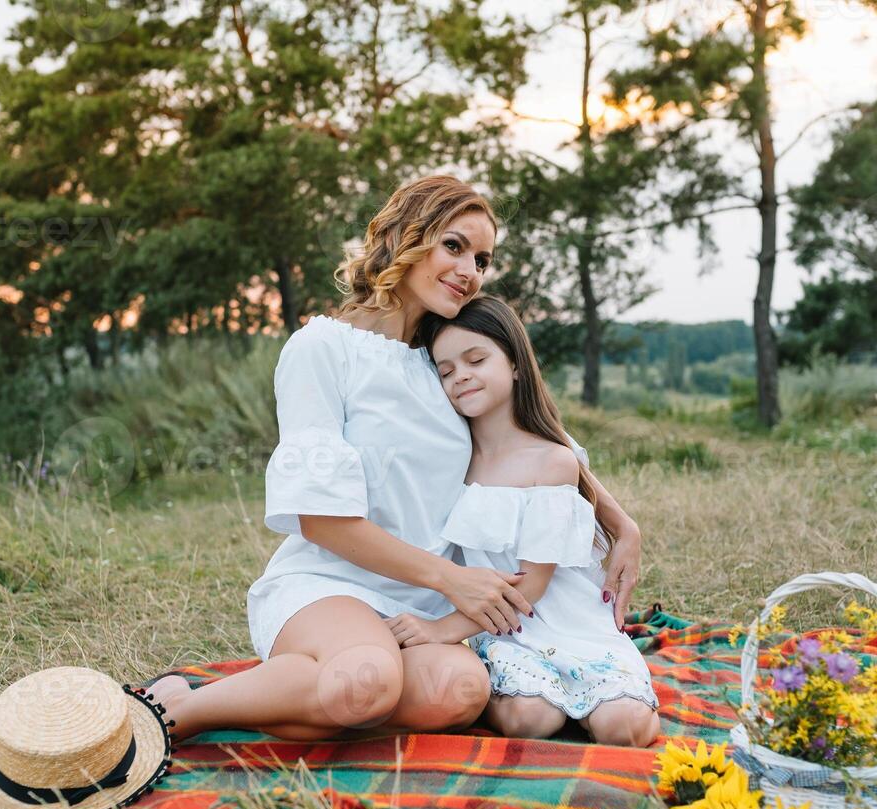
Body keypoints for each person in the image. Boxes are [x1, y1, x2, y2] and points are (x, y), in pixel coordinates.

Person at [147, 174, 643, 741]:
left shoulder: (444, 357)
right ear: (407, 236)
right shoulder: (322, 348)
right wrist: (453, 579)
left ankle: (311, 693)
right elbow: (321, 521)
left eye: (482, 259)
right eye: (453, 246)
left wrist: (619, 521)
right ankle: (176, 710)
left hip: (424, 605)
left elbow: (529, 438)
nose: (469, 271)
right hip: (330, 583)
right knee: (366, 681)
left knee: (460, 693)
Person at [382, 296, 660, 747]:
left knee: (622, 728)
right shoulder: (451, 454)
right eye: (446, 371)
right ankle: (550, 700)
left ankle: (607, 698)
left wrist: (439, 630)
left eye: (476, 360)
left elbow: (532, 584)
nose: (461, 376)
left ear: (514, 364)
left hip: (569, 621)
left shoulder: (550, 459)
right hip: (505, 632)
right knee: (531, 719)